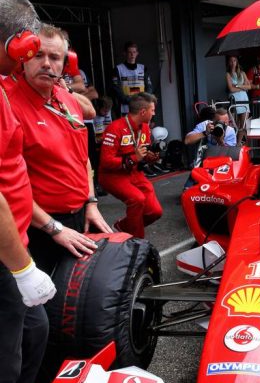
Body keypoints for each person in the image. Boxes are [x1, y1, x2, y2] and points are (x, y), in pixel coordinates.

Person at [0, 0, 66, 383]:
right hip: (8, 258)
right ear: (18, 44)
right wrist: (22, 267)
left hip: (18, 246)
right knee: (5, 363)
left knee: (32, 339)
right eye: (32, 45)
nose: (39, 57)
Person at [7, 25, 111, 275]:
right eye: (38, 55)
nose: (46, 64)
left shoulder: (66, 99)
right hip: (38, 228)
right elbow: (7, 187)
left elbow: (82, 158)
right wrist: (54, 228)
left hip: (80, 217)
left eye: (54, 58)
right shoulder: (8, 103)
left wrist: (91, 202)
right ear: (24, 57)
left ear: (65, 65)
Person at [98, 93, 163, 238]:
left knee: (155, 211)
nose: (154, 113)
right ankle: (137, 242)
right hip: (112, 175)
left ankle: (122, 227)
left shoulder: (145, 127)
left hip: (134, 173)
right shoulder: (115, 128)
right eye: (152, 110)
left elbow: (142, 153)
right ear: (143, 112)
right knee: (137, 199)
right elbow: (106, 162)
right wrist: (134, 158)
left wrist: (150, 157)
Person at [111, 41, 154, 116]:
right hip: (125, 108)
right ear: (124, 53)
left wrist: (144, 99)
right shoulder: (118, 69)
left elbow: (149, 87)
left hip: (142, 106)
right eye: (129, 52)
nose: (132, 55)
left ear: (137, 53)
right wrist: (130, 101)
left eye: (134, 52)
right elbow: (116, 90)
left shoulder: (143, 68)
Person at [225, 55, 251, 140]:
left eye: (234, 61)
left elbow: (249, 87)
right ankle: (234, 141)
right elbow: (231, 89)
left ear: (237, 62)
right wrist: (242, 87)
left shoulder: (242, 73)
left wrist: (237, 85)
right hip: (234, 100)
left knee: (243, 123)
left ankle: (239, 142)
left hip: (243, 99)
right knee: (234, 123)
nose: (233, 63)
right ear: (229, 63)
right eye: (231, 61)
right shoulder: (228, 74)